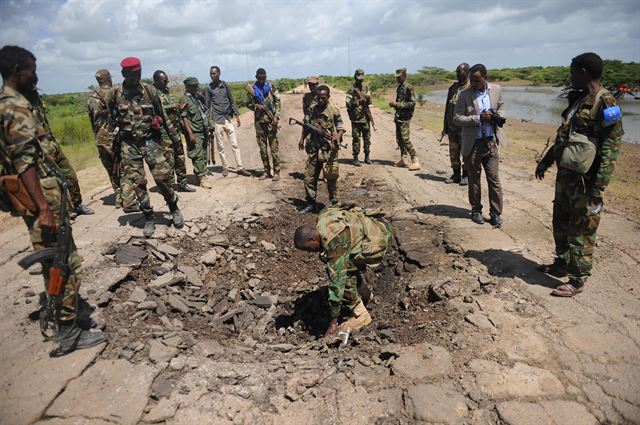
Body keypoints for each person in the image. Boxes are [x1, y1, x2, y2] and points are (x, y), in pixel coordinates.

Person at [0, 45, 107, 353]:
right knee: (62, 263)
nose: (36, 75)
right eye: (32, 69)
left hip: (45, 196)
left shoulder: (17, 102)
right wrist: (44, 208)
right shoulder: (14, 107)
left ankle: (68, 315)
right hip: (40, 199)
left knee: (60, 260)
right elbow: (24, 163)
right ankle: (67, 330)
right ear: (18, 70)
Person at [535, 53, 624, 297]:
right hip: (567, 178)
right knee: (560, 223)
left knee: (582, 230)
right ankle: (562, 263)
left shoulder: (607, 103)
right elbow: (564, 137)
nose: (570, 76)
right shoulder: (577, 100)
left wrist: (599, 187)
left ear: (584, 71)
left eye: (573, 71)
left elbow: (611, 147)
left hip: (586, 182)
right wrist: (545, 162)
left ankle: (577, 279)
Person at [108, 57, 184, 238]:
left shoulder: (149, 91)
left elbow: (163, 116)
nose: (137, 77)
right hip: (129, 145)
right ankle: (148, 216)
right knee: (138, 183)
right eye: (133, 75)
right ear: (124, 74)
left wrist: (175, 138)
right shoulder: (115, 94)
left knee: (163, 177)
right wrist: (113, 144)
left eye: (139, 73)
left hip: (150, 142)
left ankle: (173, 207)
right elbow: (111, 120)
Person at [293, 205, 393, 336]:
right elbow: (344, 205)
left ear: (312, 239)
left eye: (308, 249)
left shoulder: (334, 242)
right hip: (378, 226)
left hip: (378, 238)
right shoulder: (323, 217)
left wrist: (333, 321)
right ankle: (366, 295)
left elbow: (337, 282)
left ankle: (361, 315)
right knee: (342, 265)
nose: (310, 253)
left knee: (341, 273)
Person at [453, 63, 508, 227]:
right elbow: (456, 118)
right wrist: (477, 119)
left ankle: (495, 213)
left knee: (494, 179)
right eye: (472, 80)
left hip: (491, 142)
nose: (474, 84)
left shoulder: (497, 89)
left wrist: (497, 115)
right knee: (474, 179)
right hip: (473, 144)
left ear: (485, 77)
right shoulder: (464, 95)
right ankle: (476, 210)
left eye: (477, 80)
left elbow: (502, 107)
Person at [26, 89, 95, 217]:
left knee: (70, 176)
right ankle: (64, 212)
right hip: (41, 151)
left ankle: (77, 204)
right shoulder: (20, 106)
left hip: (53, 146)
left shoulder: (37, 99)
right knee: (53, 183)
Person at [87, 69, 137, 211]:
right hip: (114, 138)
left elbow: (92, 122)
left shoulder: (91, 98)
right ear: (109, 79)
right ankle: (127, 199)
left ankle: (118, 197)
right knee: (123, 168)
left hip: (100, 139)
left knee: (111, 170)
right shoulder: (115, 93)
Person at [297, 85, 345, 214]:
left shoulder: (334, 110)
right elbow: (306, 125)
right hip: (314, 147)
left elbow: (341, 126)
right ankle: (311, 203)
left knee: (331, 178)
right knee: (309, 177)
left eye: (323, 98)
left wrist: (337, 136)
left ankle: (334, 204)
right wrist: (302, 138)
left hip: (329, 149)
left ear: (328, 97)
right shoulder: (312, 109)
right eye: (318, 98)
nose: (321, 100)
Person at [204, 66, 250, 177]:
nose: (212, 75)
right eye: (211, 74)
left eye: (214, 73)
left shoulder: (225, 86)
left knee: (234, 144)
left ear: (219, 73)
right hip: (217, 120)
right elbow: (207, 106)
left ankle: (240, 167)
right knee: (220, 147)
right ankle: (225, 167)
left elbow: (232, 101)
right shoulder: (208, 88)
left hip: (227, 118)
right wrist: (209, 121)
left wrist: (237, 115)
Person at [152, 70, 193, 192]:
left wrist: (179, 108)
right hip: (165, 134)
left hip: (176, 131)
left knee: (180, 158)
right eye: (164, 81)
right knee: (168, 161)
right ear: (156, 81)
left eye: (167, 80)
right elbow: (155, 110)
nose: (167, 82)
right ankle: (169, 187)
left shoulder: (167, 92)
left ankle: (182, 183)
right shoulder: (153, 94)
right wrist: (172, 106)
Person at [247, 68, 281, 180]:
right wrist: (256, 106)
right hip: (259, 122)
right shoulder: (252, 89)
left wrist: (276, 116)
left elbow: (278, 101)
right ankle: (266, 171)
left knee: (274, 148)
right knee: (262, 149)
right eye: (260, 78)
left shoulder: (270, 86)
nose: (262, 81)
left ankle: (277, 172)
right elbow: (248, 104)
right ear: (256, 77)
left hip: (271, 121)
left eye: (263, 78)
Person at [181, 77, 213, 188]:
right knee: (198, 155)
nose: (196, 88)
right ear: (187, 87)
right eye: (193, 86)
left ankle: (198, 176)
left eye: (196, 86)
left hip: (202, 130)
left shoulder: (196, 98)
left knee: (203, 154)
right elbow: (184, 118)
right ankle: (202, 178)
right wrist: (190, 133)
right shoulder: (185, 99)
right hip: (194, 132)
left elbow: (203, 113)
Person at [442, 63, 470, 185]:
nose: (458, 74)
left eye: (461, 72)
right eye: (457, 72)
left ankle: (466, 175)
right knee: (453, 152)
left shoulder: (471, 88)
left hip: (465, 128)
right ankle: (456, 174)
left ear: (467, 73)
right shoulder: (453, 88)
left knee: (466, 152)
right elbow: (448, 107)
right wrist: (445, 126)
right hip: (452, 126)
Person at [390, 68, 420, 171]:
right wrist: (395, 105)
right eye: (397, 77)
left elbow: (412, 103)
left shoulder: (408, 87)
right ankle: (403, 158)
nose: (397, 79)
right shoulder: (399, 88)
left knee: (406, 139)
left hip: (405, 118)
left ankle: (415, 160)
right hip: (399, 116)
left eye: (399, 77)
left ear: (404, 76)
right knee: (399, 139)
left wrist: (397, 104)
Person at [346, 68, 373, 166]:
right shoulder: (351, 89)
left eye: (362, 76)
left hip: (365, 117)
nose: (360, 79)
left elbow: (370, 100)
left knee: (367, 138)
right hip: (356, 118)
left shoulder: (366, 87)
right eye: (358, 76)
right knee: (356, 139)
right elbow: (347, 104)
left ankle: (367, 157)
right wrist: (358, 102)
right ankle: (355, 158)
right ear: (355, 76)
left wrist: (368, 99)